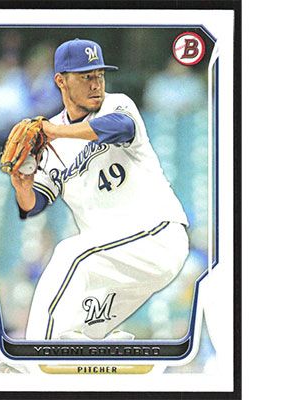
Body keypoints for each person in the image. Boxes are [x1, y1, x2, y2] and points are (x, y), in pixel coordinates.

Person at [10, 38, 189, 340]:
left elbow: (120, 127)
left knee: (69, 252)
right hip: (114, 264)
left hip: (156, 236)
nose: (96, 84)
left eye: (100, 75)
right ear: (61, 81)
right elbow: (34, 204)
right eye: (86, 76)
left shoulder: (117, 104)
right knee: (78, 335)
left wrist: (56, 131)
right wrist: (22, 186)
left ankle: (31, 357)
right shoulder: (53, 144)